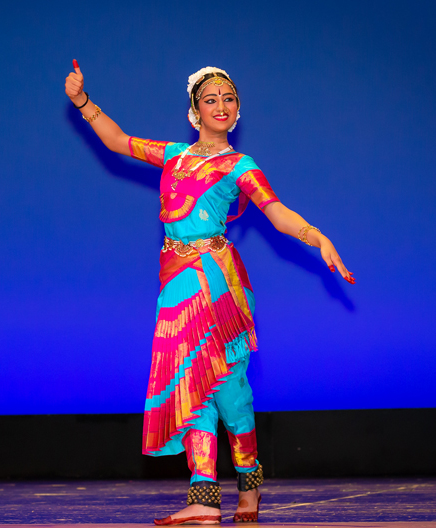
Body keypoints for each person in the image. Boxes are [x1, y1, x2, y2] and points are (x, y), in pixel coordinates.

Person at [64, 61, 355, 525]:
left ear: (237, 111)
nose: (221, 105)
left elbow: (275, 212)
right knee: (189, 386)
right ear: (194, 112)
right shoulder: (174, 155)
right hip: (175, 282)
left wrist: (317, 236)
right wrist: (81, 101)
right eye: (211, 99)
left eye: (229, 98)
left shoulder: (240, 165)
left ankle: (249, 482)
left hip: (216, 282)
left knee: (228, 389)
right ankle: (203, 497)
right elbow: (118, 142)